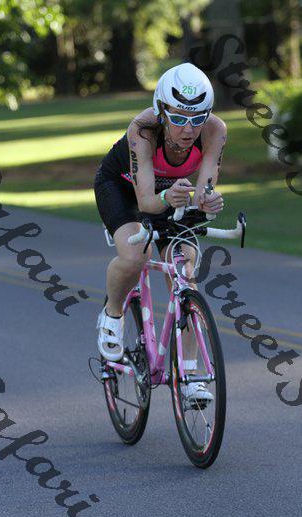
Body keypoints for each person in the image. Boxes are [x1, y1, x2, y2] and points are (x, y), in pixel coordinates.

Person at [94, 62, 226, 400]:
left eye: (197, 118)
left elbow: (204, 189)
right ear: (161, 111)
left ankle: (192, 375)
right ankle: (112, 314)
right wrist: (168, 197)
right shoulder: (143, 129)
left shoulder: (215, 130)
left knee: (185, 270)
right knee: (136, 254)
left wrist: (208, 201)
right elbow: (147, 202)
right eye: (179, 118)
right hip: (123, 188)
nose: (189, 129)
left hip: (170, 192)